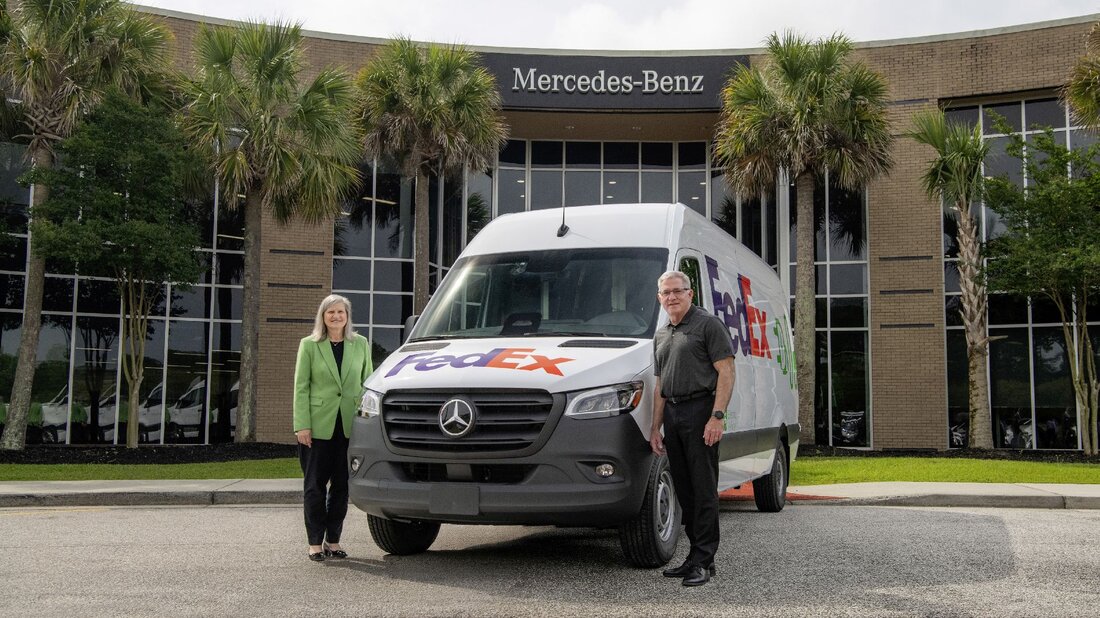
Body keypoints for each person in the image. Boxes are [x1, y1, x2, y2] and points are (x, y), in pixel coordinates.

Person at [649, 271, 734, 587]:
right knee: (685, 491)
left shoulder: (707, 325)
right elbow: (659, 385)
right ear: (659, 297)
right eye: (665, 293)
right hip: (672, 413)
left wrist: (717, 416)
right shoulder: (661, 334)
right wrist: (655, 427)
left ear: (690, 293)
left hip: (701, 411)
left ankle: (703, 561)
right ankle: (693, 558)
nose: (671, 297)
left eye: (677, 291)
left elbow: (726, 372)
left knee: (703, 488)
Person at [293, 294, 373, 562]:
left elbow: (367, 385)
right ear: (323, 317)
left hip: (350, 429)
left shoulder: (360, 344)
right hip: (316, 429)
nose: (336, 316)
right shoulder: (309, 345)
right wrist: (302, 425)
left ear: (347, 316)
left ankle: (334, 541)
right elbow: (301, 387)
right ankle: (315, 543)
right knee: (314, 487)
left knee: (342, 488)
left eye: (341, 312)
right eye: (331, 313)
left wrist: (368, 424)